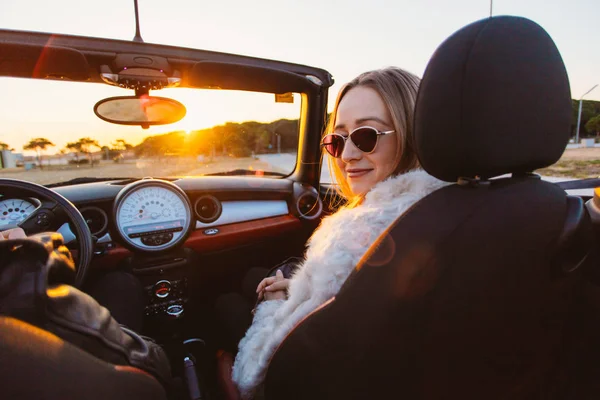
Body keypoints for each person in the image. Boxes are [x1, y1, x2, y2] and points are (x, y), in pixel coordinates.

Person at [230, 67, 449, 399]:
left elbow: (254, 372)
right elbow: (360, 290)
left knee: (227, 303)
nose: (347, 156)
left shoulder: (360, 233)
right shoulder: (451, 207)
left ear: (413, 134)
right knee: (258, 277)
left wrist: (271, 307)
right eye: (338, 139)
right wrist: (303, 289)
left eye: (366, 136)